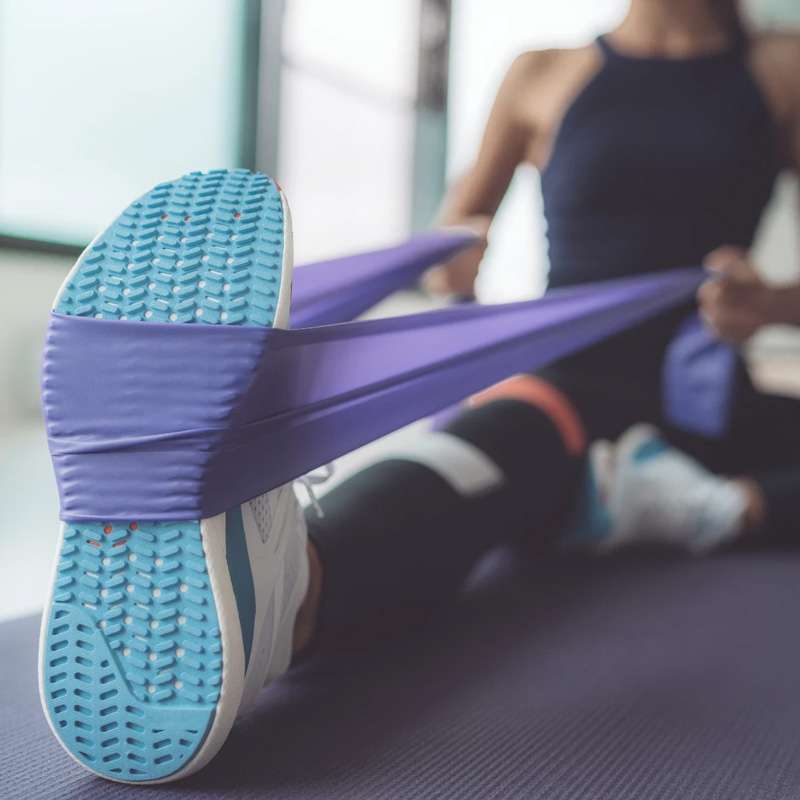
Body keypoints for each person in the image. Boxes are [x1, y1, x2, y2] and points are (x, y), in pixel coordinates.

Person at [39, 0, 800, 784]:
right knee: (486, 456)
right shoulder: (544, 71)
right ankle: (292, 593)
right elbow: (463, 221)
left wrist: (769, 303)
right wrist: (450, 257)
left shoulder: (784, 66)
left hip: (708, 394)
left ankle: (697, 506)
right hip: (568, 370)